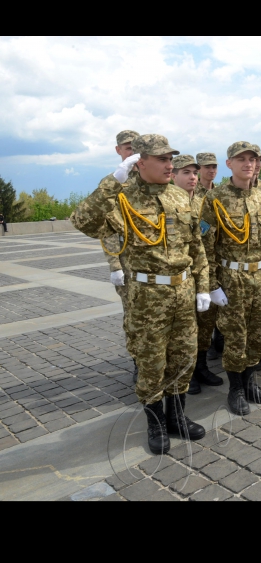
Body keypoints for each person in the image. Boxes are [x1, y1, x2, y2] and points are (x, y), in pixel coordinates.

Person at [71, 134, 210, 455]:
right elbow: (82, 221)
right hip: (147, 297)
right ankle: (156, 423)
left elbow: (195, 245)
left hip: (183, 291)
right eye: (162, 160)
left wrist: (203, 286)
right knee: (151, 363)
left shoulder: (179, 196)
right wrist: (113, 181)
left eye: (170, 159)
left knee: (183, 358)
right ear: (140, 162)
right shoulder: (121, 198)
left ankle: (177, 416)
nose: (169, 165)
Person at [200, 142, 261, 417]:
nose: (249, 164)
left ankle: (250, 384)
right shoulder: (214, 199)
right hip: (231, 278)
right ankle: (235, 389)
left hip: (259, 275)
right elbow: (205, 245)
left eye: (253, 159)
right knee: (235, 336)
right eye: (241, 159)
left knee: (258, 335)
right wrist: (211, 285)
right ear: (229, 164)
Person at [171, 155, 224, 395]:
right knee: (182, 331)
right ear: (173, 176)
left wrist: (212, 279)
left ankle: (201, 366)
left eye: (194, 173)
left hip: (205, 274)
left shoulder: (205, 203)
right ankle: (186, 373)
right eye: (186, 173)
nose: (193, 177)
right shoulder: (167, 204)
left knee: (204, 325)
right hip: (178, 278)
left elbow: (213, 242)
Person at [102, 130, 140, 382]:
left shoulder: (156, 179)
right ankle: (139, 361)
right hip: (128, 267)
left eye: (136, 148)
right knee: (134, 317)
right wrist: (115, 265)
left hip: (155, 266)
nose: (133, 153)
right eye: (128, 148)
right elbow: (107, 229)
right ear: (118, 151)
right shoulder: (116, 184)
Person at [194, 153, 225, 360]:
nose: (211, 170)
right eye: (207, 167)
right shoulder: (192, 193)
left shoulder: (220, 194)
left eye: (214, 166)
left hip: (219, 259)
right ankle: (198, 361)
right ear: (199, 169)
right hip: (200, 260)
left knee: (218, 310)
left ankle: (217, 345)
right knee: (201, 316)